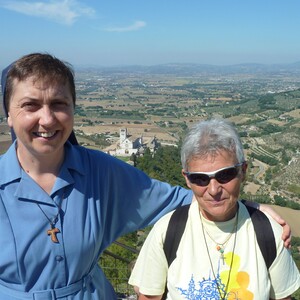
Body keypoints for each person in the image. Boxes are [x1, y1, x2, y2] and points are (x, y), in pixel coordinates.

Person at [0, 53, 291, 300]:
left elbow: (178, 198)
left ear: (73, 110)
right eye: (31, 105)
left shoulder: (101, 172)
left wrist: (249, 207)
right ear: (9, 115)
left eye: (59, 104)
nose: (47, 119)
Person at [129, 118, 300, 300]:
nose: (213, 190)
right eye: (200, 178)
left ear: (243, 171)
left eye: (225, 175)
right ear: (187, 179)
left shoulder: (269, 233)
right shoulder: (166, 231)